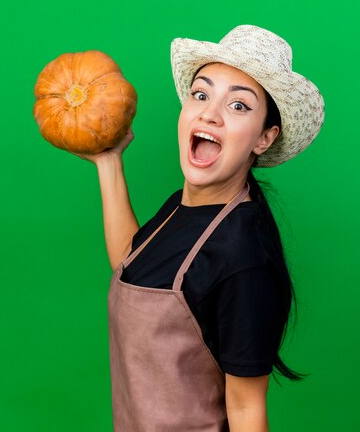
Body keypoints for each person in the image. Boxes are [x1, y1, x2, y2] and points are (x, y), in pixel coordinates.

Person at [75, 24, 324, 432]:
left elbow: (246, 411)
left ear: (265, 137)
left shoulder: (244, 257)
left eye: (239, 105)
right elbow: (131, 262)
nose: (209, 112)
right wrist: (109, 162)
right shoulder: (183, 206)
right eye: (201, 94)